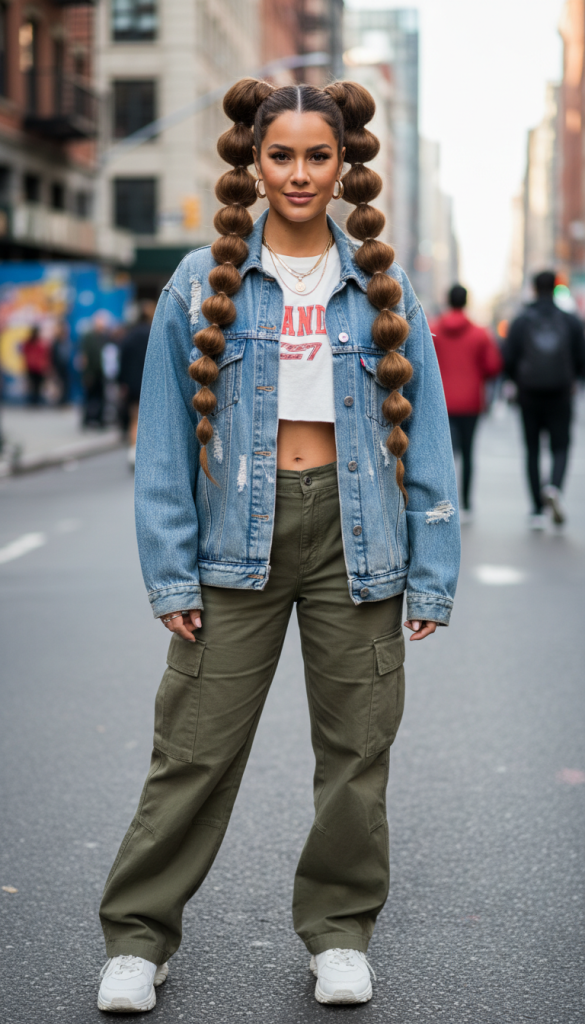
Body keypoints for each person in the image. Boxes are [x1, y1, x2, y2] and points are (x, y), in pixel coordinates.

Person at [97, 79, 460, 1013]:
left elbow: (424, 443)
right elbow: (167, 441)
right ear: (252, 164)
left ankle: (338, 933)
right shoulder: (196, 282)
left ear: (345, 166)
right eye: (281, 155)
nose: (299, 174)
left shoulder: (382, 286)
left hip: (358, 540)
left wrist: (431, 570)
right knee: (193, 749)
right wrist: (169, 568)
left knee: (355, 752)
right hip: (231, 545)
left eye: (318, 156)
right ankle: (139, 939)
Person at [504, 270, 585, 529]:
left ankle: (537, 511)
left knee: (533, 449)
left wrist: (515, 380)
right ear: (555, 287)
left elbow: (508, 358)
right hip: (561, 393)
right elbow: (581, 358)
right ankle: (554, 488)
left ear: (533, 288)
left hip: (529, 394)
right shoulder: (571, 321)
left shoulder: (521, 321)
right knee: (560, 446)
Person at [431, 284, 503, 521]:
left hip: (440, 401)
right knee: (469, 452)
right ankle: (466, 504)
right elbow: (493, 367)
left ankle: (443, 500)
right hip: (470, 402)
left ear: (448, 301)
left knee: (443, 454)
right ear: (466, 302)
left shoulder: (433, 329)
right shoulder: (480, 333)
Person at [118, 300, 156, 466]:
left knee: (135, 418)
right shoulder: (155, 334)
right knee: (153, 419)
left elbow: (122, 361)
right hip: (153, 384)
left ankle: (133, 452)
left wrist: (122, 382)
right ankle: (149, 453)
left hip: (133, 384)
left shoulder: (129, 336)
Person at [80, 314, 110, 427]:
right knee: (89, 397)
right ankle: (87, 419)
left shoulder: (105, 337)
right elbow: (84, 356)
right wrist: (86, 373)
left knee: (101, 397)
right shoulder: (88, 337)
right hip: (91, 371)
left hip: (102, 372)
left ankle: (99, 419)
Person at [21, 326, 49, 405]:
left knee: (37, 385)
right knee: (32, 385)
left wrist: (45, 366)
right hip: (32, 367)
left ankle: (36, 401)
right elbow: (25, 354)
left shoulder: (41, 343)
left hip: (38, 367)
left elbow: (44, 355)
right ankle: (32, 401)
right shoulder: (28, 343)